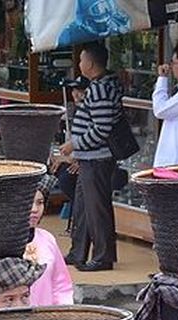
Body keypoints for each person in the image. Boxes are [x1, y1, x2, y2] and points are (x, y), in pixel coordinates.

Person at [60, 40, 122, 272]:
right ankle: (78, 251)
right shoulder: (103, 85)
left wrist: (73, 145)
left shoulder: (100, 88)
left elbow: (101, 129)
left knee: (97, 208)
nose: (79, 63)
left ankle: (103, 256)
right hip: (89, 157)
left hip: (97, 157)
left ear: (91, 63)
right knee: (83, 207)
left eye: (81, 59)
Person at [26, 177, 75, 306]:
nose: (34, 209)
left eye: (39, 202)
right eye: (28, 202)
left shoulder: (47, 239)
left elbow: (61, 285)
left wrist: (61, 314)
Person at [151, 41, 178, 167]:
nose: (171, 67)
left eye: (173, 63)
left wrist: (162, 79)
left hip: (177, 161)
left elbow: (160, 110)